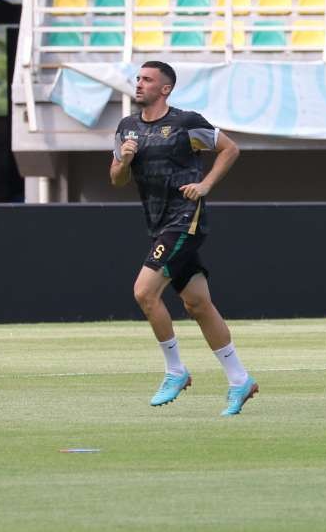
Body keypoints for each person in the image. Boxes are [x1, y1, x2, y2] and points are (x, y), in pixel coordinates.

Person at [110, 60, 256, 416]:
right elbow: (116, 178)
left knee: (144, 292)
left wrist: (206, 185)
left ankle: (175, 371)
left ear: (165, 89)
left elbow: (230, 148)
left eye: (147, 80)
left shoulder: (185, 122)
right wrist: (124, 160)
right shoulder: (127, 127)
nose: (139, 84)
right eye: (138, 79)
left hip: (184, 219)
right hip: (158, 223)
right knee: (197, 304)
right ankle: (240, 380)